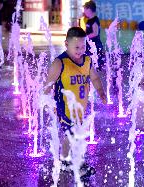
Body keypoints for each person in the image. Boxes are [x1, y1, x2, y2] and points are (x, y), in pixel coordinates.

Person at [44, 27, 106, 181]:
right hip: (64, 108)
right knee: (72, 134)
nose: (80, 50)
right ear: (66, 44)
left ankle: (75, 160)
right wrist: (48, 103)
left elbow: (95, 78)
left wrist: (101, 92)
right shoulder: (59, 63)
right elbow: (47, 86)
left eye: (83, 46)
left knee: (75, 133)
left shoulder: (86, 61)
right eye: (76, 47)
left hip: (80, 108)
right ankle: (66, 161)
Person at [83, 0, 105, 71]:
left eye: (85, 9)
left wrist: (85, 37)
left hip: (95, 45)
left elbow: (95, 33)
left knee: (97, 65)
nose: (84, 11)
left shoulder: (95, 20)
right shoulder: (89, 20)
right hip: (90, 44)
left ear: (89, 9)